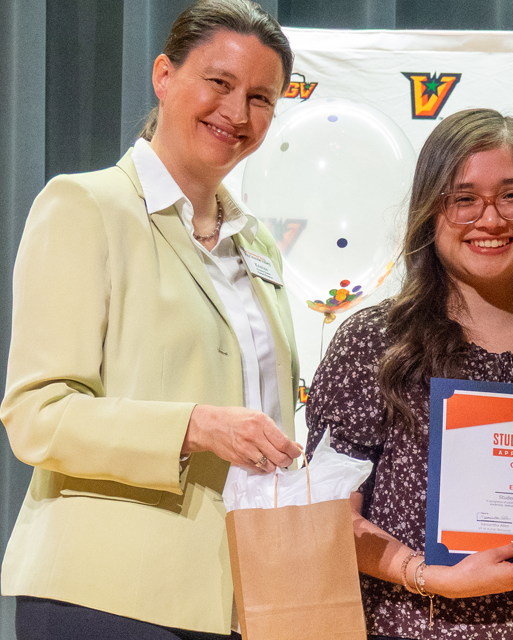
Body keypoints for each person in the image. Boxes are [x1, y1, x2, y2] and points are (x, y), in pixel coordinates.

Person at [1, 2, 302, 638]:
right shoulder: (85, 206)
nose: (237, 113)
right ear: (164, 75)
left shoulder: (261, 249)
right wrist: (192, 426)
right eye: (219, 83)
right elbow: (38, 415)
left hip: (241, 599)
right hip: (105, 595)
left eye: (261, 97)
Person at [305, 108, 513, 639]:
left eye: (512, 194)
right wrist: (429, 577)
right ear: (430, 212)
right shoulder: (377, 344)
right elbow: (323, 519)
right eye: (463, 198)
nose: (491, 219)